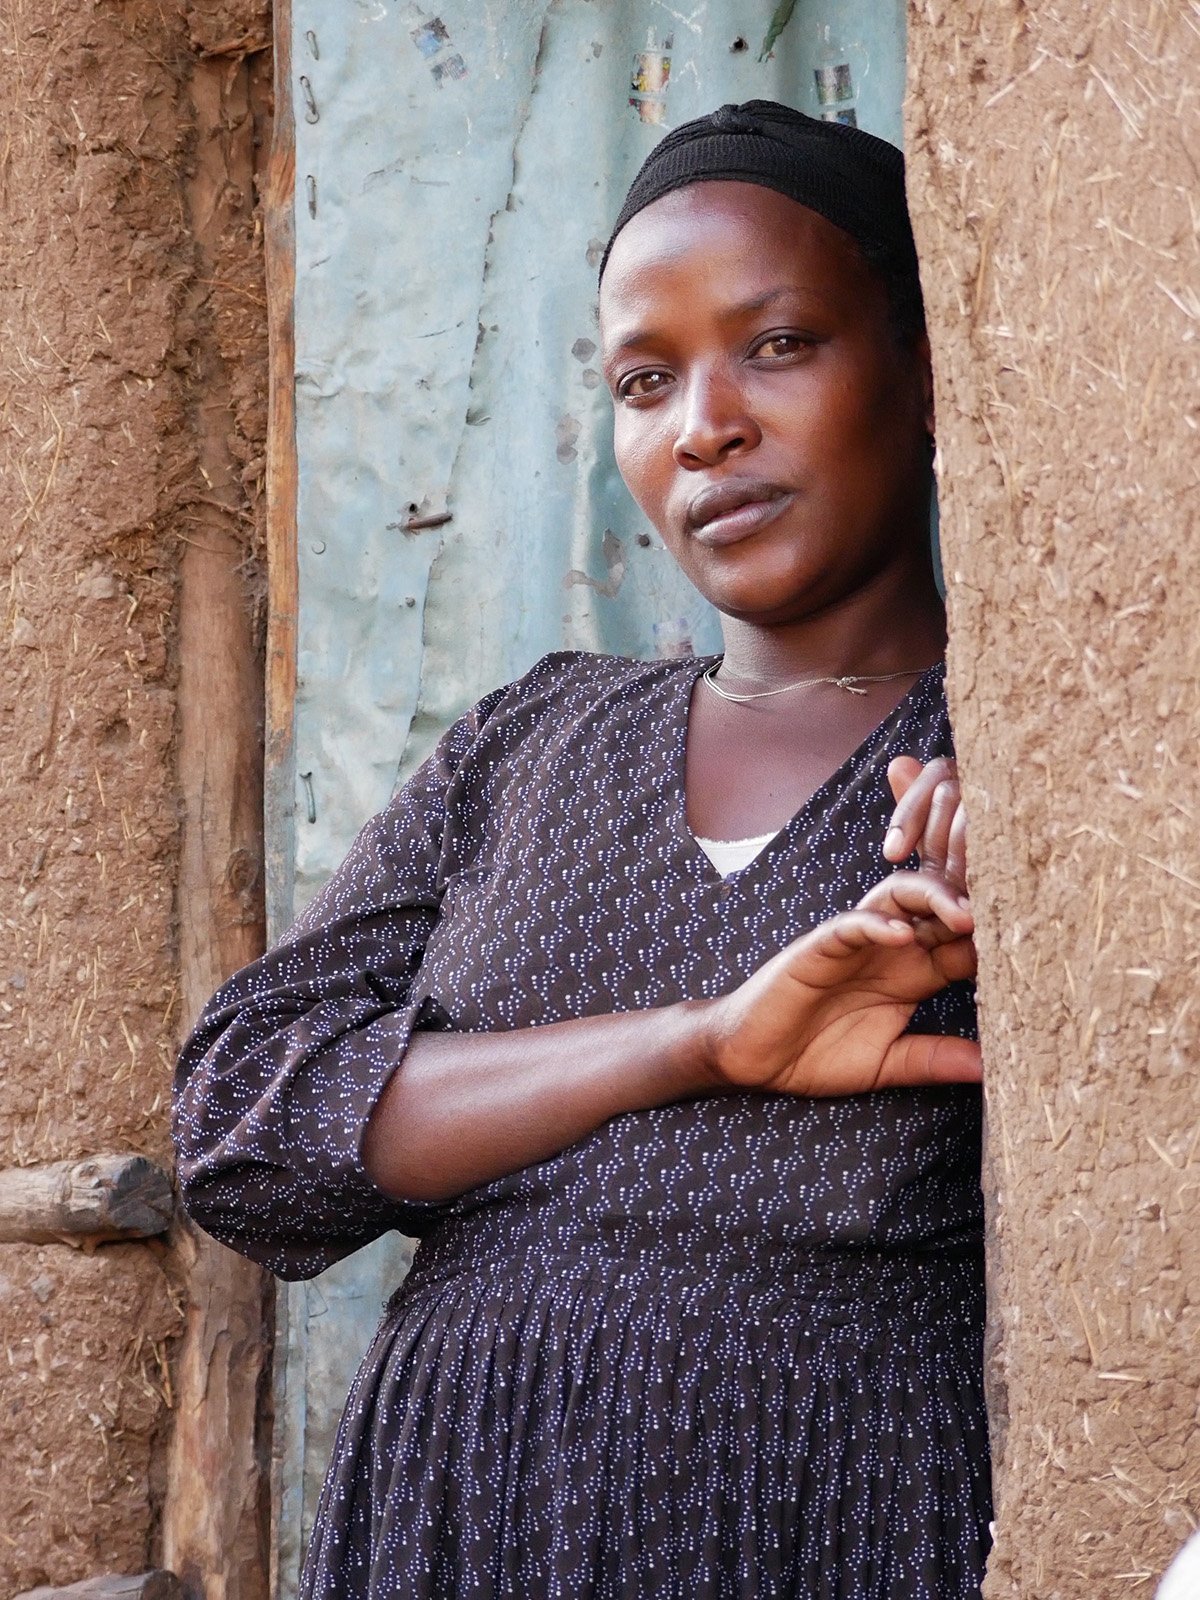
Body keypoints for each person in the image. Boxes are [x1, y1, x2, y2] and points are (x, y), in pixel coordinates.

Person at [174, 101, 991, 1598]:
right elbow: (247, 1136)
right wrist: (696, 1043)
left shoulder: (1023, 759)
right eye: (643, 378)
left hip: (841, 1522)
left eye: (781, 343)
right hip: (462, 1515)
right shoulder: (534, 739)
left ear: (930, 369)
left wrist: (1059, 893)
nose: (706, 426)